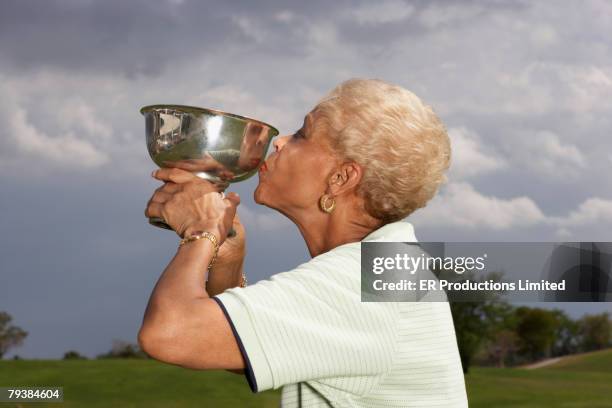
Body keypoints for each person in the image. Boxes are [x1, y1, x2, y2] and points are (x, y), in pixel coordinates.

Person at [139, 78, 468, 407]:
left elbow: (169, 335)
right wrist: (226, 259)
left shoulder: (360, 283)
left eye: (302, 135)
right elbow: (237, 345)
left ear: (341, 178)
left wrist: (201, 231)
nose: (279, 141)